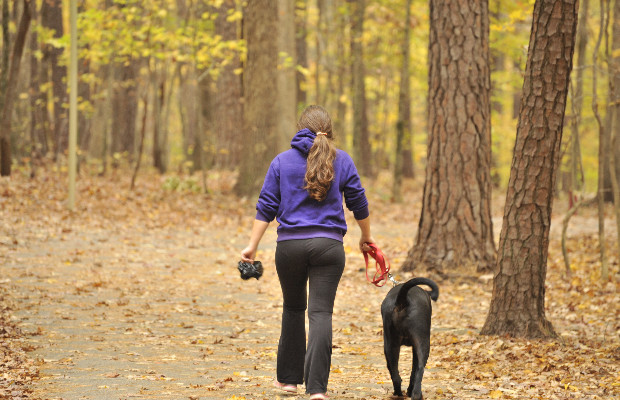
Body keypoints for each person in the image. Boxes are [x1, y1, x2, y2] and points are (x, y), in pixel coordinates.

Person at [240, 105, 375, 399]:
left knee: (293, 308)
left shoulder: (282, 161)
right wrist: (366, 237)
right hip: (329, 247)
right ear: (330, 131)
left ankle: (288, 381)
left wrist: (252, 245)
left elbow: (266, 206)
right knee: (321, 312)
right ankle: (317, 390)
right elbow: (359, 203)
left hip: (290, 247)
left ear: (301, 128)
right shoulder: (343, 161)